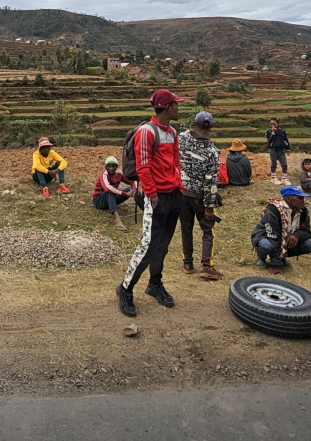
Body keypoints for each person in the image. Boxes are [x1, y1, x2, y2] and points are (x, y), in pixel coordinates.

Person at [116, 88, 185, 317]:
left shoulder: (173, 132)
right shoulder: (146, 132)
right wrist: (153, 196)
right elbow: (143, 167)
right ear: (167, 107)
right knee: (148, 246)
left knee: (163, 245)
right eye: (176, 104)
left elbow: (176, 163)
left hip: (173, 195)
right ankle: (125, 288)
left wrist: (180, 188)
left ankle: (155, 284)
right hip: (156, 198)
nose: (178, 107)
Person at [178, 111, 223, 280]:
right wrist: (209, 207)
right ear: (210, 127)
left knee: (186, 228)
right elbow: (211, 182)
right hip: (199, 196)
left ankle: (187, 263)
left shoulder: (181, 138)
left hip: (181, 192)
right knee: (207, 229)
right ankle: (206, 265)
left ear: (194, 124)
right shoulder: (212, 151)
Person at [251, 186, 311, 268]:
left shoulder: (303, 212)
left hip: (285, 238)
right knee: (267, 246)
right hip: (266, 236)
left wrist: (297, 235)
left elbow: (307, 232)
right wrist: (277, 265)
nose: (303, 201)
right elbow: (274, 238)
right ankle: (261, 257)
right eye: (300, 198)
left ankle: (283, 256)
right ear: (289, 199)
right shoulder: (274, 211)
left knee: (308, 245)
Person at [92, 156, 139, 232]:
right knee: (109, 192)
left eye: (113, 166)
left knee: (133, 191)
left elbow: (132, 181)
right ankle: (117, 221)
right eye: (109, 166)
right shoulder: (104, 174)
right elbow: (108, 188)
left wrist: (134, 190)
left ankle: (145, 210)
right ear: (106, 167)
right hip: (99, 201)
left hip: (111, 199)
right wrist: (125, 194)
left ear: (116, 167)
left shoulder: (119, 173)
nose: (111, 168)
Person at [266, 118, 291, 184]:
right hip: (273, 150)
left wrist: (288, 148)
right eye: (271, 124)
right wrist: (273, 133)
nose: (273, 125)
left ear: (278, 124)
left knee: (284, 164)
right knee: (274, 164)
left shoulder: (282, 131)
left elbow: (286, 140)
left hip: (281, 151)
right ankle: (273, 178)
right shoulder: (268, 132)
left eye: (274, 124)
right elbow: (269, 139)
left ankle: (284, 178)